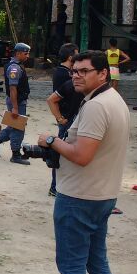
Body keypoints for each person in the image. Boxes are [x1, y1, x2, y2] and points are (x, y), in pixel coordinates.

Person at [33, 50, 130, 274]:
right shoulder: (112, 100)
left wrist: (51, 141)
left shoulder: (97, 106)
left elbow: (82, 155)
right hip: (102, 194)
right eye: (74, 70)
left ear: (103, 73)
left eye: (84, 71)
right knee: (97, 264)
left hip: (80, 197)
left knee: (72, 268)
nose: (76, 75)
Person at [46, 43, 82, 196]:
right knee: (61, 152)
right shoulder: (63, 74)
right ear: (70, 56)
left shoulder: (66, 72)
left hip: (70, 117)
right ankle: (55, 187)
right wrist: (60, 118)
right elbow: (53, 99)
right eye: (77, 53)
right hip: (67, 118)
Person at [0, 43, 32, 165]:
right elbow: (12, 89)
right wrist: (15, 108)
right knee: (18, 127)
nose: (27, 56)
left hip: (18, 100)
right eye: (25, 53)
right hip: (16, 102)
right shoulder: (14, 68)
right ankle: (15, 154)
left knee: (13, 125)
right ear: (18, 53)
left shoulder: (17, 65)